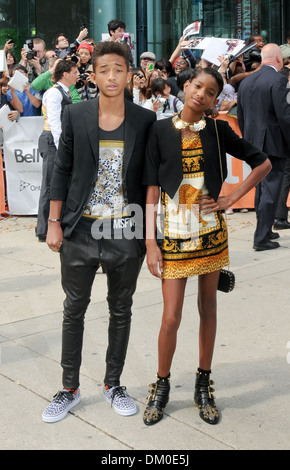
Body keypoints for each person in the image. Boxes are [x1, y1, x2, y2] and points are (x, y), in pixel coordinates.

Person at [142, 67, 271, 426]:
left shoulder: (219, 129)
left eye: (211, 92)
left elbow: (262, 163)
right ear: (185, 86)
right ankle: (162, 385)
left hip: (211, 231)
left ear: (216, 100)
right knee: (171, 316)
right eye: (197, 86)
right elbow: (151, 188)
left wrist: (230, 199)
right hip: (172, 232)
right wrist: (150, 241)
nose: (202, 94)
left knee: (208, 308)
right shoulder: (158, 129)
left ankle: (203, 382)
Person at [41, 41, 156, 423]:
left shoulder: (144, 120)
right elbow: (62, 169)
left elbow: (150, 182)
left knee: (120, 309)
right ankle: (69, 388)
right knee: (74, 309)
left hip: (126, 229)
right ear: (94, 74)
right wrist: (54, 222)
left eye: (118, 70)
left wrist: (149, 239)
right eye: (104, 69)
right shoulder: (76, 115)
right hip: (80, 229)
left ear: (129, 75)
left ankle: (113, 384)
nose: (111, 76)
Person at [238, 43, 290, 250]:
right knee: (270, 191)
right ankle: (261, 238)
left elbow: (241, 117)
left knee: (261, 189)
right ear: (278, 59)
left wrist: (248, 141)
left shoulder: (246, 81)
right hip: (273, 144)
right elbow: (285, 116)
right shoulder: (279, 80)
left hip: (253, 143)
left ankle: (265, 229)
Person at [36, 60, 79, 242]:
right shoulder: (54, 92)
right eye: (75, 71)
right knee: (49, 185)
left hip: (58, 141)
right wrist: (62, 147)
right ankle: (43, 229)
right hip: (52, 140)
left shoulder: (65, 91)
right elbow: (54, 122)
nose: (78, 74)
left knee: (57, 184)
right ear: (65, 74)